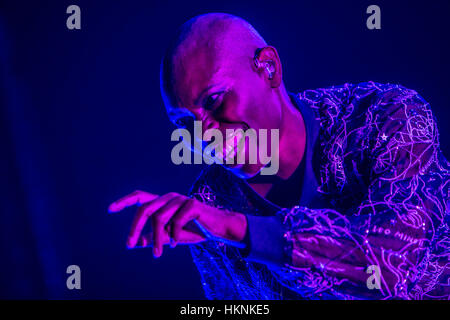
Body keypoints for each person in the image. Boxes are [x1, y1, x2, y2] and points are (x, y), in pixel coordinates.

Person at [109, 13, 449, 299]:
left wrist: (238, 229)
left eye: (213, 100)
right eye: (184, 123)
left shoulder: (388, 117)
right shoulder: (208, 202)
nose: (203, 136)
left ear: (269, 68)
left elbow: (388, 265)